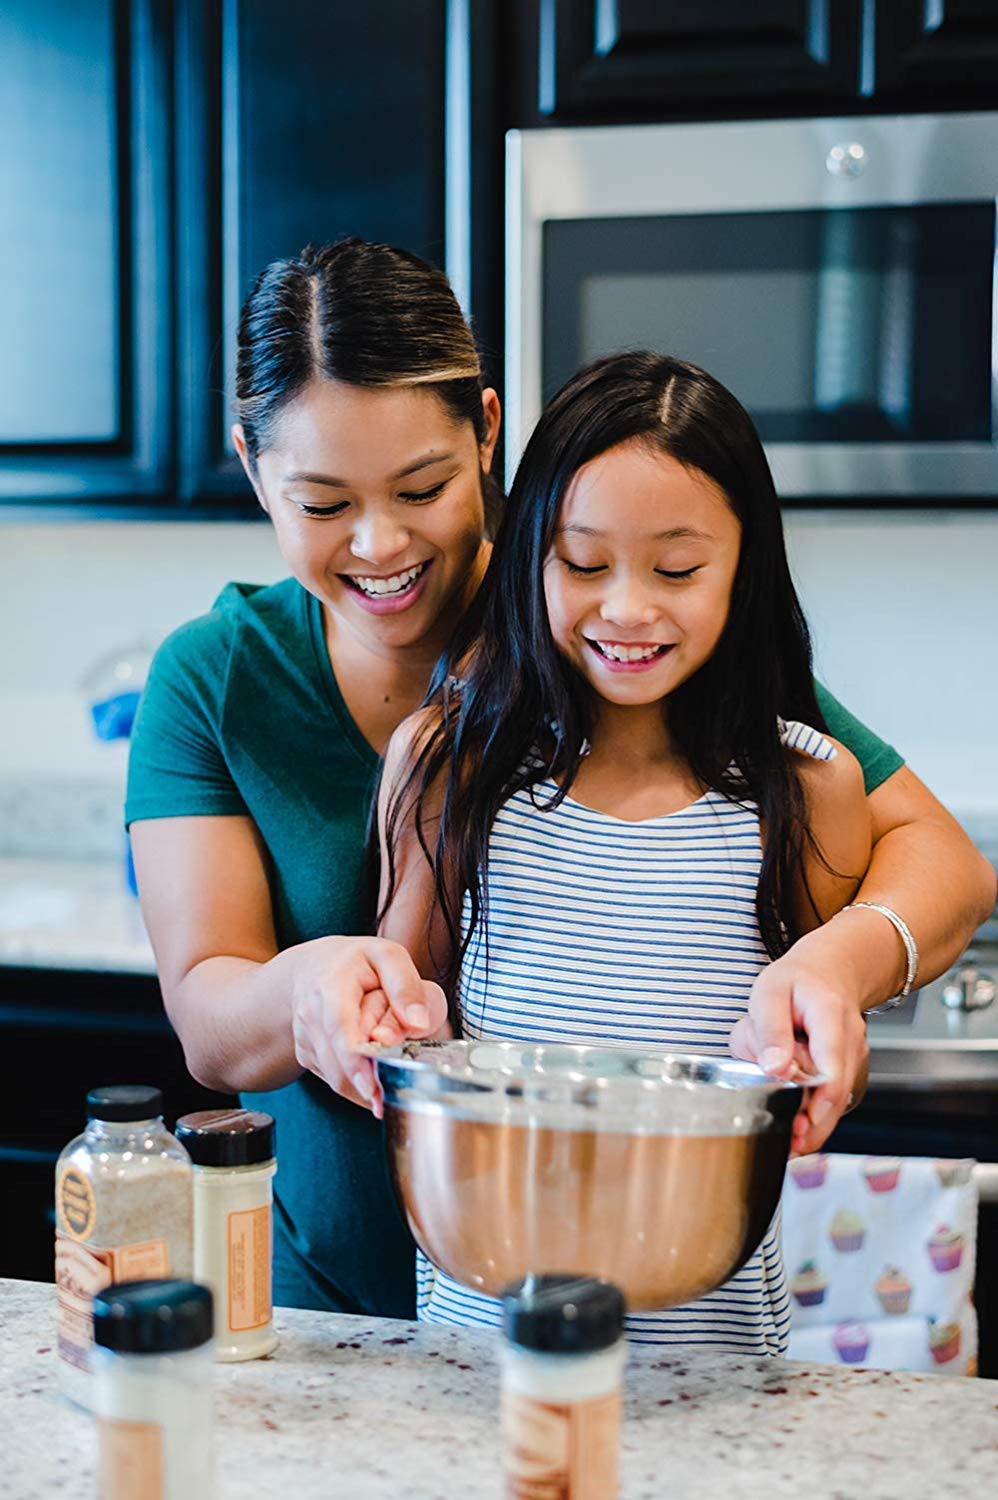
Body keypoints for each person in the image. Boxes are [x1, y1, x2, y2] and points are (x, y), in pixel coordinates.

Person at [126, 239, 996, 1320]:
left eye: (421, 485)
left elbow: (939, 862)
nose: (380, 541)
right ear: (249, 462)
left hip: (670, 1308)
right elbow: (210, 1022)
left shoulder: (601, 624)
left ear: (485, 430)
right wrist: (308, 993)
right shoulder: (217, 678)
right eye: (321, 502)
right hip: (331, 1294)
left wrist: (836, 960)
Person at [363, 353, 860, 1348]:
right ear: (529, 559)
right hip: (479, 1350)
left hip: (712, 1365)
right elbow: (398, 1019)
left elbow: (810, 1033)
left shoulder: (807, 789)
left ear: (742, 570)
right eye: (582, 564)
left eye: (675, 570)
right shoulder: (444, 765)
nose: (626, 609)